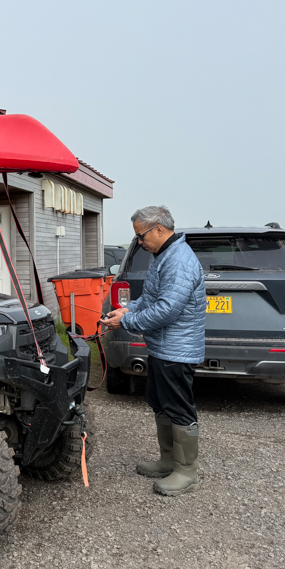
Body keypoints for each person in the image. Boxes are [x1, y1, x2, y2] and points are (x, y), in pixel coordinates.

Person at [102, 206, 206, 496]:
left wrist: (127, 321)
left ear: (158, 229)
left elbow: (167, 309)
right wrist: (125, 309)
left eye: (140, 235)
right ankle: (169, 460)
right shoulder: (164, 256)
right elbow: (150, 299)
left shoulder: (179, 260)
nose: (138, 242)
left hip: (177, 350)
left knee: (178, 406)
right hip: (162, 347)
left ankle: (187, 472)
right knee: (159, 401)